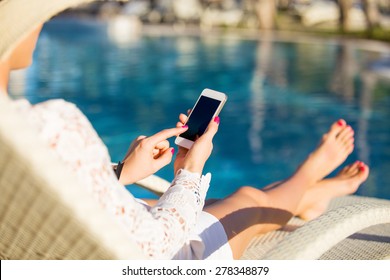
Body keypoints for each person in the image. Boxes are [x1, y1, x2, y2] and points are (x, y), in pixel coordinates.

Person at [0, 0, 369, 260]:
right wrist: (187, 173)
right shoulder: (51, 125)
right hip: (161, 263)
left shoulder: (17, 135)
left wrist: (121, 173)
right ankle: (309, 177)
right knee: (249, 203)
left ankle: (307, 196)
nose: (41, 23)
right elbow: (156, 250)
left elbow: (41, 198)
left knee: (205, 202)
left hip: (66, 254)